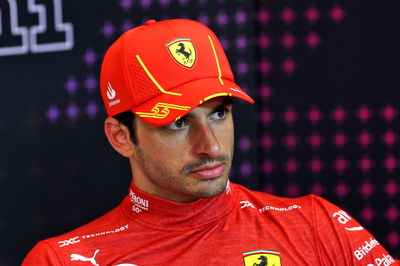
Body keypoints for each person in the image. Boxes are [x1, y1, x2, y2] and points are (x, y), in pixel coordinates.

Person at [23, 19, 398, 266]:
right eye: (178, 123)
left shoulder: (318, 225)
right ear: (121, 137)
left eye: (219, 113)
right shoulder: (64, 259)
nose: (211, 146)